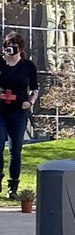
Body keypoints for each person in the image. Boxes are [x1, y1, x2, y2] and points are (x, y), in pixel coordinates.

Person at [0, 31, 38, 200]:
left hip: (18, 110)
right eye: (8, 45)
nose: (11, 49)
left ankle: (12, 186)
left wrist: (29, 102)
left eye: (14, 46)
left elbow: (34, 88)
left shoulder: (27, 66)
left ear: (20, 48)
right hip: (0, 109)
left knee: (16, 149)